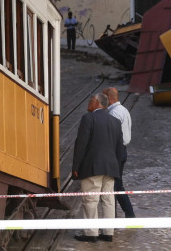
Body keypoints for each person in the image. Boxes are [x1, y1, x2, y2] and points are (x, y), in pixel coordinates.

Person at [72, 93, 125, 243]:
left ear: (97, 103)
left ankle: (91, 233)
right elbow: (120, 149)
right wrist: (117, 167)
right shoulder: (115, 121)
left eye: (90, 101)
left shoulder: (88, 118)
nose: (88, 104)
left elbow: (81, 144)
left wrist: (76, 166)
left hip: (92, 166)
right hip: (111, 167)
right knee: (108, 199)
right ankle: (108, 232)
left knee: (91, 199)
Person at [103, 87, 136, 219]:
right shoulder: (123, 110)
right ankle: (123, 215)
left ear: (109, 98)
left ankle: (127, 214)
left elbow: (110, 136)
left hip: (115, 152)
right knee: (116, 185)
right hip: (121, 150)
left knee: (115, 185)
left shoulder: (113, 114)